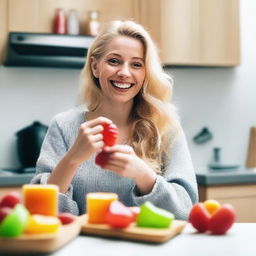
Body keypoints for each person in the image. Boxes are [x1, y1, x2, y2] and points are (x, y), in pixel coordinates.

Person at [31, 20, 198, 220]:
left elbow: (185, 213)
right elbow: (41, 213)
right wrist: (72, 158)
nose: (124, 73)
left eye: (136, 64)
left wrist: (144, 176)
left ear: (145, 73)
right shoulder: (63, 125)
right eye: (114, 61)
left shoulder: (166, 128)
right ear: (95, 66)